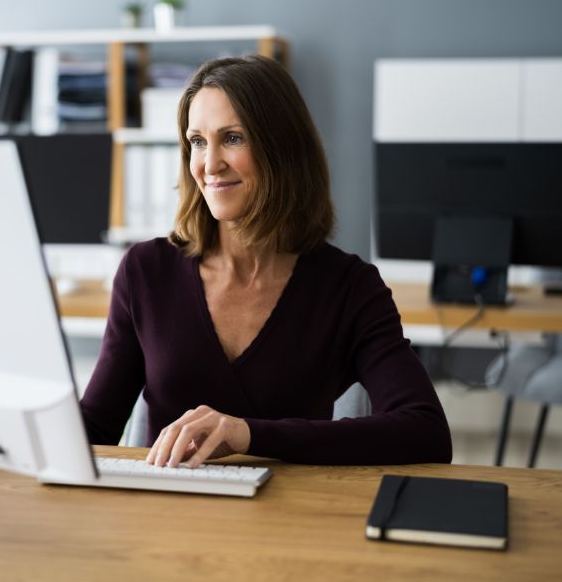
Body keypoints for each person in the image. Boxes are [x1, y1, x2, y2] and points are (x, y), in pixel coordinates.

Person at [79, 54, 452, 468]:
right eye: (198, 141)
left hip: (287, 522)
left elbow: (426, 432)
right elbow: (94, 428)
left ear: (282, 149)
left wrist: (249, 434)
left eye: (233, 138)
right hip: (169, 519)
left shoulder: (348, 287)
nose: (210, 164)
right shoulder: (146, 271)